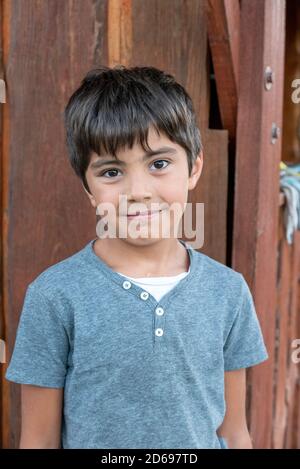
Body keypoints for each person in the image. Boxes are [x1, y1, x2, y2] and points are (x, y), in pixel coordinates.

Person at [5, 65, 268, 449]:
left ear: (193, 167)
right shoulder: (54, 296)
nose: (138, 191)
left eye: (159, 164)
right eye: (112, 172)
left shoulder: (228, 292)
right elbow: (39, 440)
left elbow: (233, 432)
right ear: (88, 189)